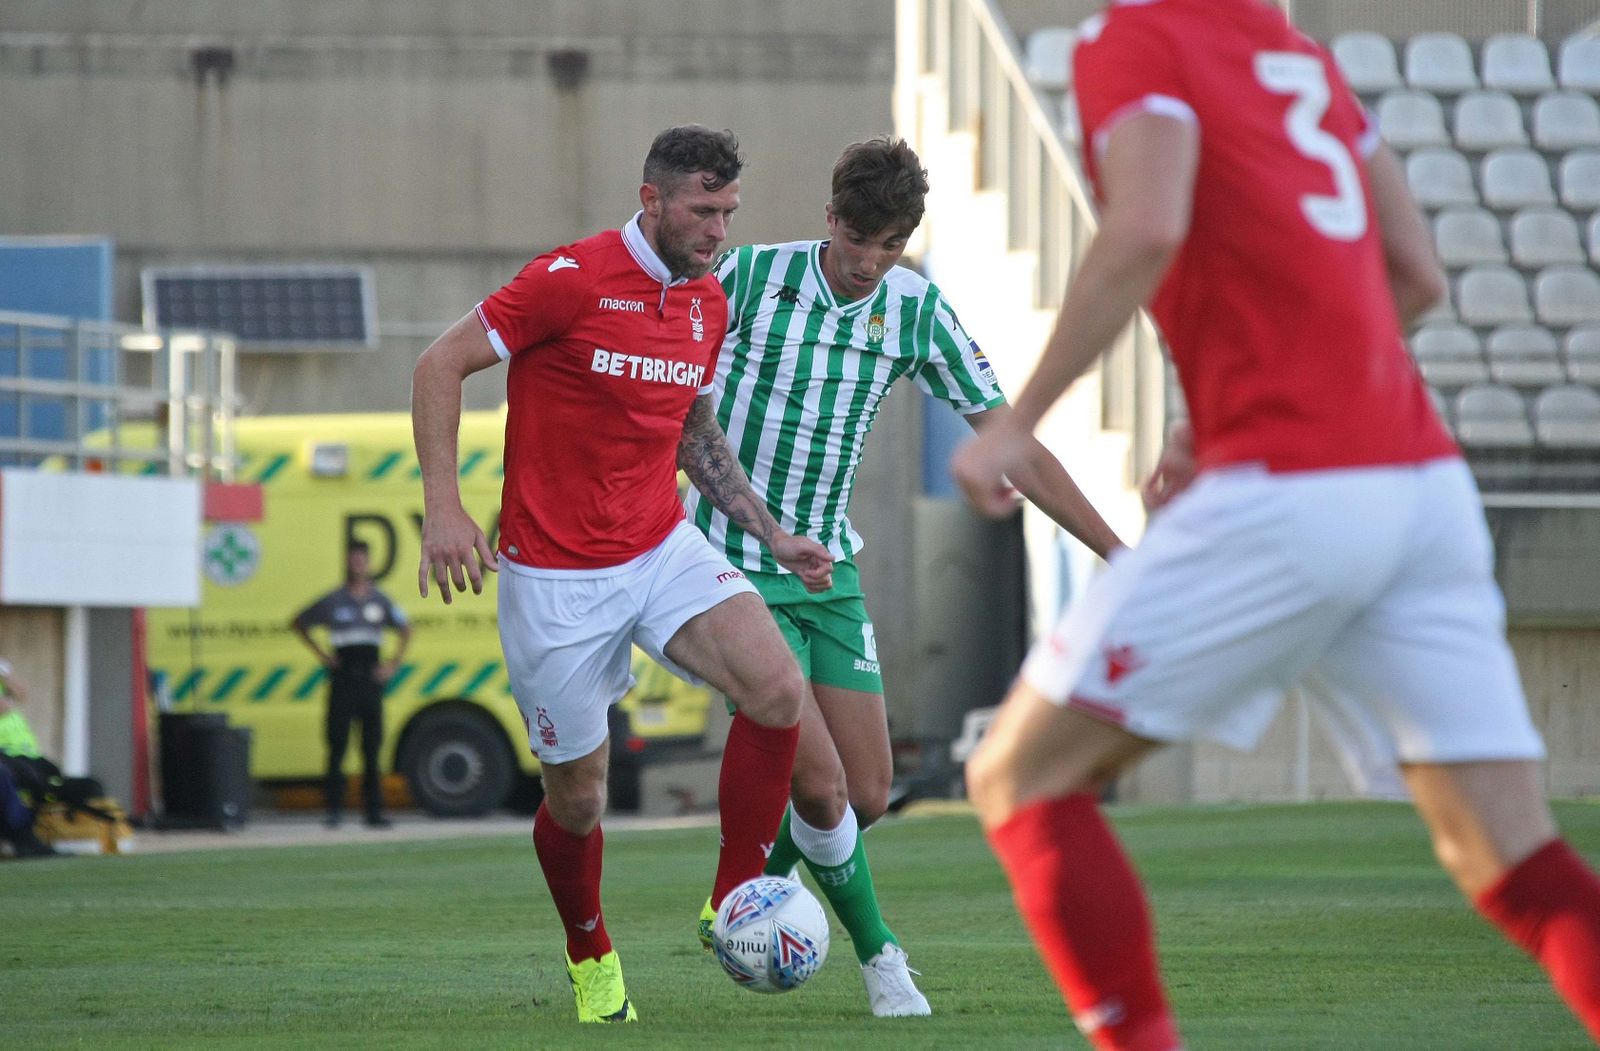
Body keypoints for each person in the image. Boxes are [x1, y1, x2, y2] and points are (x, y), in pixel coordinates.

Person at [949, 2, 1600, 1048]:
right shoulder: (1296, 57)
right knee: (1513, 858)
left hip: (1293, 490)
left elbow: (1149, 225)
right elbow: (1416, 275)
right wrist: (1215, 413)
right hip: (1421, 486)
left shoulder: (1135, 37)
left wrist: (1014, 424)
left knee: (1019, 774)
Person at [688, 136, 1124, 1017]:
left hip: (828, 568)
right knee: (821, 783)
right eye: (861, 239)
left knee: (869, 791)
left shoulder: (915, 309)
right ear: (831, 218)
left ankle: (740, 902)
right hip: (726, 564)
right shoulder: (745, 281)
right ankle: (884, 960)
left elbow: (1014, 446)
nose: (871, 262)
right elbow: (662, 396)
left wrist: (1122, 553)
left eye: (892, 246)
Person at [411, 124, 835, 1024]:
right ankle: (590, 951)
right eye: (703, 209)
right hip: (555, 576)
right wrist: (443, 509)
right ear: (652, 200)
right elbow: (439, 364)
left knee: (776, 687)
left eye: (729, 212)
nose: (719, 229)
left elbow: (693, 431)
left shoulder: (705, 303)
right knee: (580, 796)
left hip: (659, 543)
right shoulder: (566, 280)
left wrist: (771, 530)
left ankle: (731, 900)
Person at [291, 540, 411, 830]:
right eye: (353, 560)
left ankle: (374, 811)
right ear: (347, 562)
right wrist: (322, 655)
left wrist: (392, 664)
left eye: (362, 560)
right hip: (343, 677)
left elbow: (405, 629)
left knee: (372, 747)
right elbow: (299, 623)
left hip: (369, 677)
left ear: (369, 563)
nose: (358, 565)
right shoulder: (334, 600)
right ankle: (334, 809)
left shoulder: (379, 601)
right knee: (337, 745)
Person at [0, 660, 59, 858]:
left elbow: (20, 694)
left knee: (50, 777)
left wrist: (7, 676)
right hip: (7, 753)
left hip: (26, 754)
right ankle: (23, 836)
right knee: (13, 777)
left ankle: (33, 833)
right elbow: (3, 707)